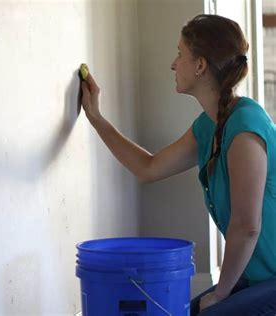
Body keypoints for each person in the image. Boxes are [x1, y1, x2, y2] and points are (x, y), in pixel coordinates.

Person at [80, 14, 276, 315]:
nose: (174, 64)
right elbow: (148, 168)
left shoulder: (245, 127)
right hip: (257, 277)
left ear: (200, 66)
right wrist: (96, 118)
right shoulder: (209, 125)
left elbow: (247, 227)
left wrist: (220, 294)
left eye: (180, 54)